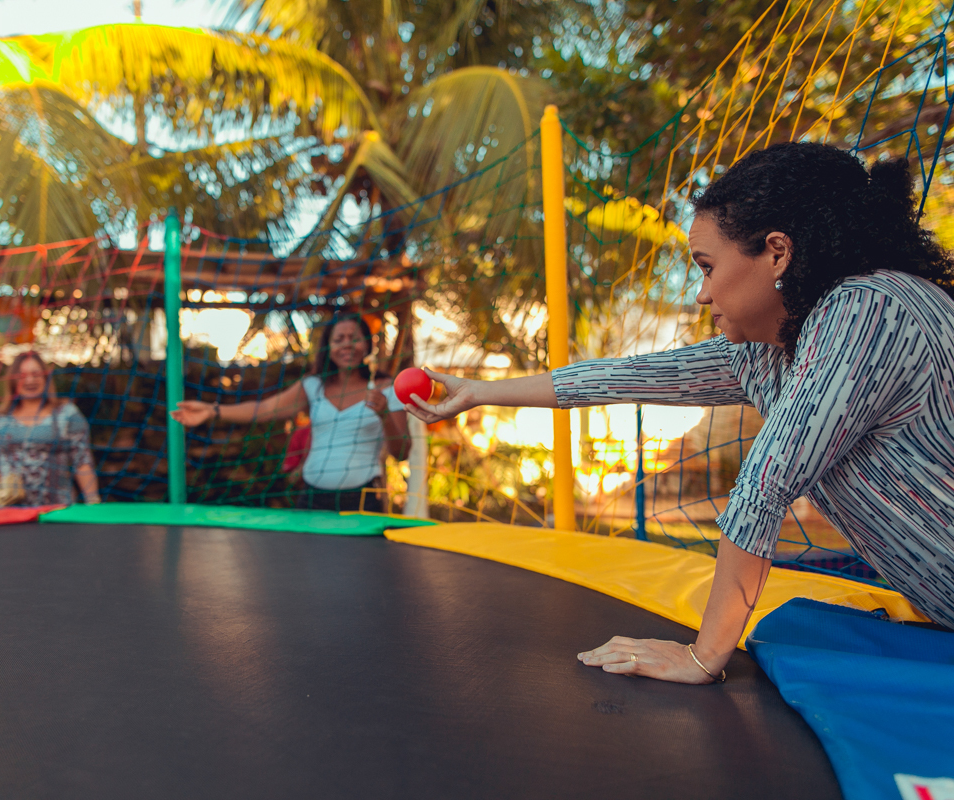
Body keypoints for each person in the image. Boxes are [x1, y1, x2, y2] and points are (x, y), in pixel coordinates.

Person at [405, 142, 954, 683]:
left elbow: (767, 482)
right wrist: (478, 391)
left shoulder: (872, 309)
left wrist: (702, 656)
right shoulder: (770, 350)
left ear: (778, 253)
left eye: (707, 266)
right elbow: (620, 377)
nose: (701, 294)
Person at [173, 313, 410, 512]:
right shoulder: (313, 385)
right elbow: (263, 409)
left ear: (367, 344)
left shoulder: (387, 390)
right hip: (313, 499)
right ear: (329, 347)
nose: (347, 344)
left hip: (363, 500)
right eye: (339, 339)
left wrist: (385, 415)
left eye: (354, 338)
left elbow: (402, 452)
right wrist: (212, 410)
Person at [0, 351, 100, 506]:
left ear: (45, 377)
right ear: (12, 380)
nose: (30, 380)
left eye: (36, 374)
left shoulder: (67, 414)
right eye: (22, 375)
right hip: (11, 511)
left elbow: (82, 460)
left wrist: (92, 500)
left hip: (57, 510)